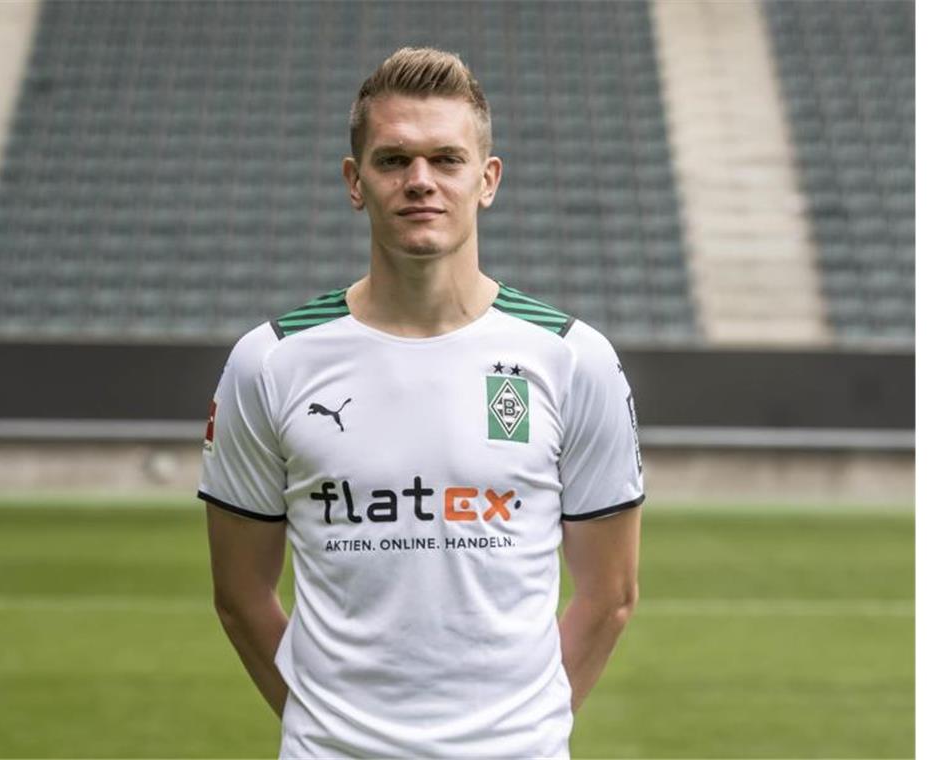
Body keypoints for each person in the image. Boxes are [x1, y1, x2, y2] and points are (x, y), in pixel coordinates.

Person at [199, 47, 644, 759]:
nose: (420, 181)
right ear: (355, 182)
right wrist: (327, 729)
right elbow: (240, 597)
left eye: (446, 159)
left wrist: (526, 733)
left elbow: (610, 595)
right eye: (392, 160)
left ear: (486, 179)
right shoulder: (271, 362)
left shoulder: (572, 358)